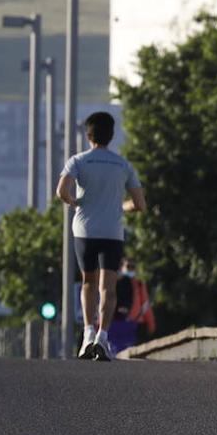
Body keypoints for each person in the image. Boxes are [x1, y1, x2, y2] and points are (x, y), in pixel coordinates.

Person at [56, 111, 146, 361]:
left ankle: (86, 335)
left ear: (88, 135)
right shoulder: (123, 165)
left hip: (84, 230)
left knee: (88, 282)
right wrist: (120, 206)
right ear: (112, 135)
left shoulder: (78, 161)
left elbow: (61, 191)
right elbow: (140, 204)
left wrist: (75, 203)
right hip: (112, 232)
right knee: (109, 286)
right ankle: (102, 338)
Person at [109, 258, 155, 352]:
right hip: (114, 325)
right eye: (128, 266)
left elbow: (145, 306)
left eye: (133, 267)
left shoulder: (139, 284)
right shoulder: (112, 282)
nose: (131, 269)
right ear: (122, 268)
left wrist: (151, 324)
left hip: (133, 325)